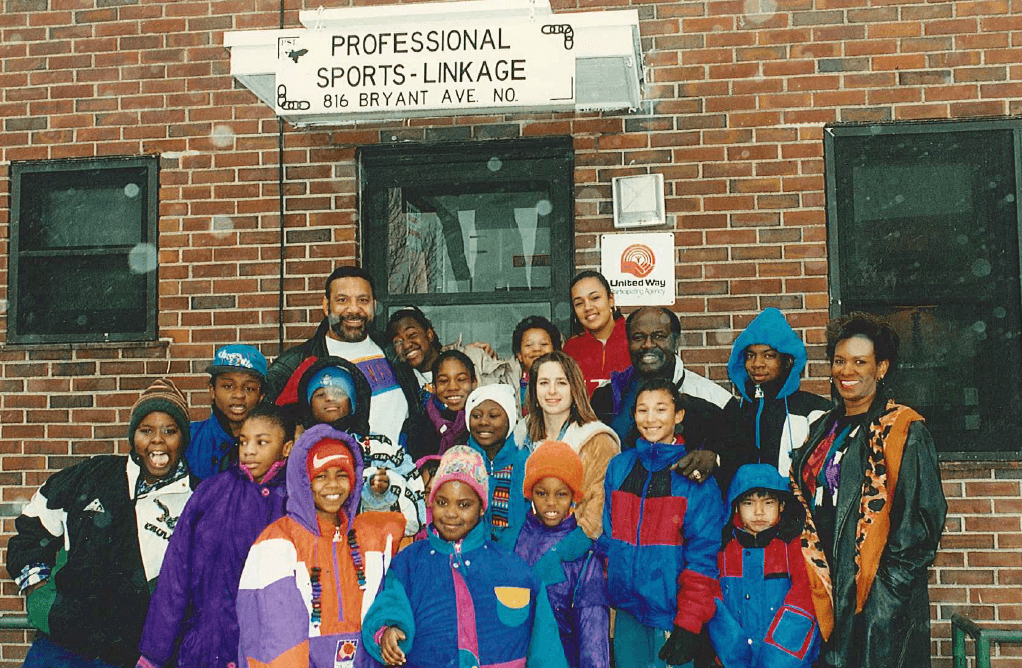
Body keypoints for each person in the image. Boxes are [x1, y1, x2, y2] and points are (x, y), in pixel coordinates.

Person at [789, 312, 947, 668]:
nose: (847, 371)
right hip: (827, 589)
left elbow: (921, 523)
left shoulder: (904, 429)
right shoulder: (824, 428)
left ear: (882, 368)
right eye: (840, 361)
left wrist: (884, 594)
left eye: (860, 362)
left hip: (875, 597)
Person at [8, 379, 198, 668]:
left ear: (183, 438)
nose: (157, 440)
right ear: (133, 435)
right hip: (60, 647)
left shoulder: (197, 499)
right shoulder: (93, 475)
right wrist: (39, 595)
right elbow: (32, 528)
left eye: (170, 431)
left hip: (130, 656)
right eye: (146, 431)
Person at [361, 445, 570, 668]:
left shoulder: (514, 571)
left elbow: (546, 650)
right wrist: (387, 632)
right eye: (442, 502)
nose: (451, 513)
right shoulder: (409, 563)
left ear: (482, 508)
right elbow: (388, 606)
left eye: (464, 505)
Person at [137, 402, 294, 668]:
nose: (249, 451)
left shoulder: (293, 502)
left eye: (261, 442)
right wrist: (154, 654)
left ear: (286, 448)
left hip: (268, 650)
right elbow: (175, 575)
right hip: (205, 647)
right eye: (243, 442)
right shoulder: (212, 493)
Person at [236, 423, 406, 668]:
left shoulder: (369, 539)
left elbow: (386, 600)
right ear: (303, 481)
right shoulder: (279, 542)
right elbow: (275, 636)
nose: (333, 485)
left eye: (342, 475)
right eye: (321, 476)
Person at [598, 378, 725, 668]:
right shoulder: (620, 467)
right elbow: (609, 538)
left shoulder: (693, 477)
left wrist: (689, 623)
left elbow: (703, 559)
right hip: (627, 612)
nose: (651, 418)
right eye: (642, 410)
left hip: (672, 615)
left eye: (660, 409)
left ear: (678, 415)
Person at [264, 265, 420, 450]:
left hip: (403, 471)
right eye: (342, 300)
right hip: (339, 474)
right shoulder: (298, 362)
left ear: (374, 305)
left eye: (363, 300)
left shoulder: (391, 348)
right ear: (326, 305)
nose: (354, 309)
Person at [590, 306, 739, 487]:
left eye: (659, 336)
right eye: (638, 337)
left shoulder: (715, 399)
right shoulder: (606, 396)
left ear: (676, 342)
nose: (648, 344)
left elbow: (740, 457)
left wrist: (714, 458)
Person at [499, 441, 610, 668]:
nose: (551, 503)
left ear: (574, 496)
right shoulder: (513, 540)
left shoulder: (583, 556)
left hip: (561, 658)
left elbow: (593, 633)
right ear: (530, 494)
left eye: (561, 494)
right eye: (541, 493)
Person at [296, 356, 426, 537]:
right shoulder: (300, 452)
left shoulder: (383, 449)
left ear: (354, 402)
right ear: (308, 405)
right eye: (320, 394)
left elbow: (417, 519)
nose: (330, 399)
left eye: (339, 393)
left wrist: (382, 494)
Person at [707, 464, 820, 668]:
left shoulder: (792, 547)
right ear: (735, 507)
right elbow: (714, 604)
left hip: (785, 661)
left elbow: (805, 594)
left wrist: (776, 659)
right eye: (748, 503)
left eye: (768, 503)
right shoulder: (722, 551)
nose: (759, 512)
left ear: (782, 505)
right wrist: (735, 656)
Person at [515, 351, 620, 538]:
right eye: (544, 383)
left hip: (574, 550)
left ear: (575, 388)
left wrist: (561, 551)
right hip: (527, 543)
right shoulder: (521, 434)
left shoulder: (598, 440)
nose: (552, 391)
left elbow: (596, 514)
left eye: (561, 383)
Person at [724, 308, 831, 478]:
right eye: (750, 355)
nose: (757, 363)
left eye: (768, 356)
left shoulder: (814, 411)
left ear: (788, 361)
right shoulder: (734, 413)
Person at [385, 305, 515, 394]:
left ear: (429, 334)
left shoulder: (472, 359)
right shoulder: (401, 383)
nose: (407, 345)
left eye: (412, 335)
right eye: (398, 341)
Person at [187, 343, 267, 480]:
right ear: (212, 391)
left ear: (261, 396)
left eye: (249, 388)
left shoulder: (273, 444)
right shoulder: (189, 439)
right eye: (228, 386)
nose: (239, 395)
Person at [464, 383, 531, 542]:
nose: (483, 422)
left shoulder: (525, 461)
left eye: (493, 416)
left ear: (510, 420)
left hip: (517, 555)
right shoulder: (463, 462)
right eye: (476, 416)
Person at [563, 270, 630, 396]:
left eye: (595, 298)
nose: (587, 307)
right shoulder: (571, 349)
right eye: (579, 303)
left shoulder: (634, 339)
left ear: (611, 299)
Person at [413, 349, 477, 460]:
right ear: (433, 387)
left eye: (461, 379)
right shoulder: (417, 428)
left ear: (474, 383)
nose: (452, 387)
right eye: (443, 381)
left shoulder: (482, 423)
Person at [511, 315, 562, 415]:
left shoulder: (564, 381)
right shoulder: (510, 382)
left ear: (555, 350)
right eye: (529, 345)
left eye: (544, 344)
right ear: (519, 355)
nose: (536, 349)